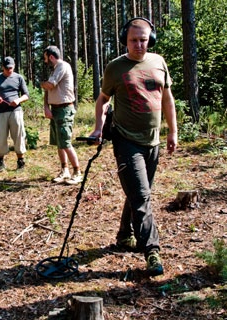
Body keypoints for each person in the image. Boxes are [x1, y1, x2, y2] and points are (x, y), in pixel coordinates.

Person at [89, 18, 178, 276]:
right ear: (124, 40)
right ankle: (151, 250)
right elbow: (103, 100)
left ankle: (124, 234)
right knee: (141, 195)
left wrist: (173, 131)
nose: (139, 44)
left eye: (144, 39)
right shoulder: (116, 68)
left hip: (153, 140)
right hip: (126, 140)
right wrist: (98, 127)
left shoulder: (158, 62)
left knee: (140, 191)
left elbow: (167, 98)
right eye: (133, 40)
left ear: (151, 39)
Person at [41, 45, 82, 185]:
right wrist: (46, 107)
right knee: (59, 143)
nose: (45, 61)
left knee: (65, 142)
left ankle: (77, 172)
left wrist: (42, 84)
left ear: (51, 57)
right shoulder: (54, 70)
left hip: (65, 110)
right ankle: (65, 170)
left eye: (46, 58)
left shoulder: (62, 66)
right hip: (55, 110)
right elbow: (47, 90)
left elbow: (50, 85)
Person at [0, 56, 30, 172]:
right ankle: (0, 163)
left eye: (11, 68)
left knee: (18, 135)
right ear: (2, 67)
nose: (9, 70)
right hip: (1, 112)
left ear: (14, 66)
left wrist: (18, 100)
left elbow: (26, 95)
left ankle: (20, 162)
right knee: (1, 137)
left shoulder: (19, 78)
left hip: (16, 111)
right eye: (6, 68)